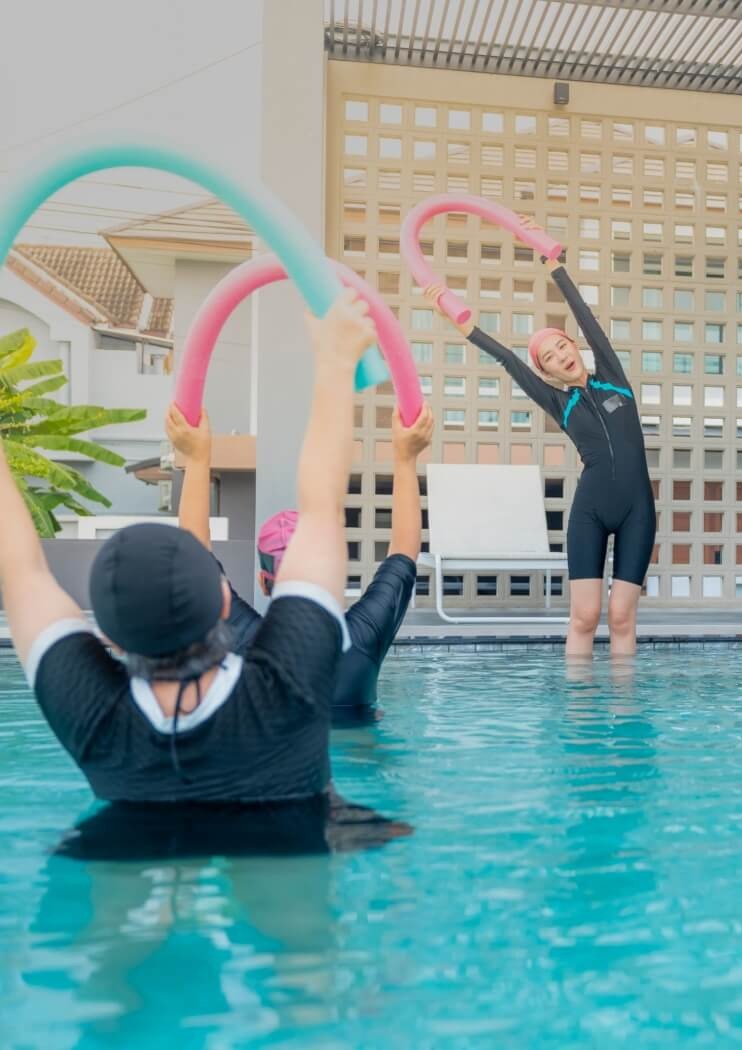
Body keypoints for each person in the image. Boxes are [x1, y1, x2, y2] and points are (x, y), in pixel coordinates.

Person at [0, 290, 375, 803]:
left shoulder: (89, 712)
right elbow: (323, 508)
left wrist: (196, 461)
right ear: (222, 602)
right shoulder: (290, 682)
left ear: (106, 638)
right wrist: (336, 363)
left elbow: (22, 572)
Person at [426, 217, 654, 658]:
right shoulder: (559, 403)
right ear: (546, 372)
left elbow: (587, 319)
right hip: (590, 512)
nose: (560, 356)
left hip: (637, 510)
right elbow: (508, 360)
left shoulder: (614, 379)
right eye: (548, 357)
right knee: (584, 616)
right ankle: (579, 698)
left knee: (622, 617)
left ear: (574, 346)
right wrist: (460, 325)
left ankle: (624, 701)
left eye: (561, 346)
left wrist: (553, 266)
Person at [164, 400, 436, 725]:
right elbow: (404, 551)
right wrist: (406, 458)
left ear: (263, 582)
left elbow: (194, 556)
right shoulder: (364, 637)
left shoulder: (239, 640)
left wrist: (197, 457)